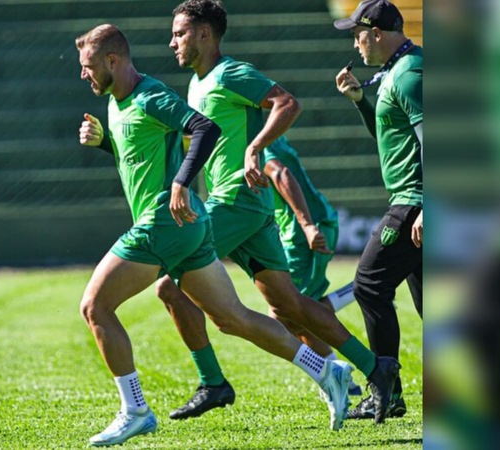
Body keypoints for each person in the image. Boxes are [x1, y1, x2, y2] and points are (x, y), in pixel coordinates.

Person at [75, 23, 355, 446]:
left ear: (112, 61)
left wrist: (181, 182)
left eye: (88, 66)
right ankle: (326, 370)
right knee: (232, 318)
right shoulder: (117, 103)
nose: (84, 74)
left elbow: (205, 128)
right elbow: (141, 152)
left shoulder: (151, 96)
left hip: (163, 223)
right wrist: (104, 142)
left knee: (95, 306)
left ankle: (135, 410)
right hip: (187, 227)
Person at [157, 0, 399, 425]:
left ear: (204, 34)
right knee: (290, 307)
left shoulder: (229, 73)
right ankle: (374, 367)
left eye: (179, 33)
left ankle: (212, 381)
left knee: (169, 286)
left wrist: (255, 148)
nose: (172, 42)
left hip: (235, 202)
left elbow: (288, 103)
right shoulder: (198, 84)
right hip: (250, 209)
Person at [333, 0, 423, 420]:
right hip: (412, 202)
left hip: (414, 203)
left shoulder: (409, 74)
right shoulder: (396, 70)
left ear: (376, 33)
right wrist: (359, 100)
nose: (355, 43)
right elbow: (390, 133)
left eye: (357, 35)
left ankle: (386, 390)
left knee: (369, 285)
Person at [262, 136, 362, 396]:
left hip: (303, 233)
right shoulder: (275, 138)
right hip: (313, 225)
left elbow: (281, 174)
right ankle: (340, 378)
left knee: (285, 314)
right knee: (299, 315)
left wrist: (306, 225)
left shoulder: (257, 143)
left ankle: (360, 289)